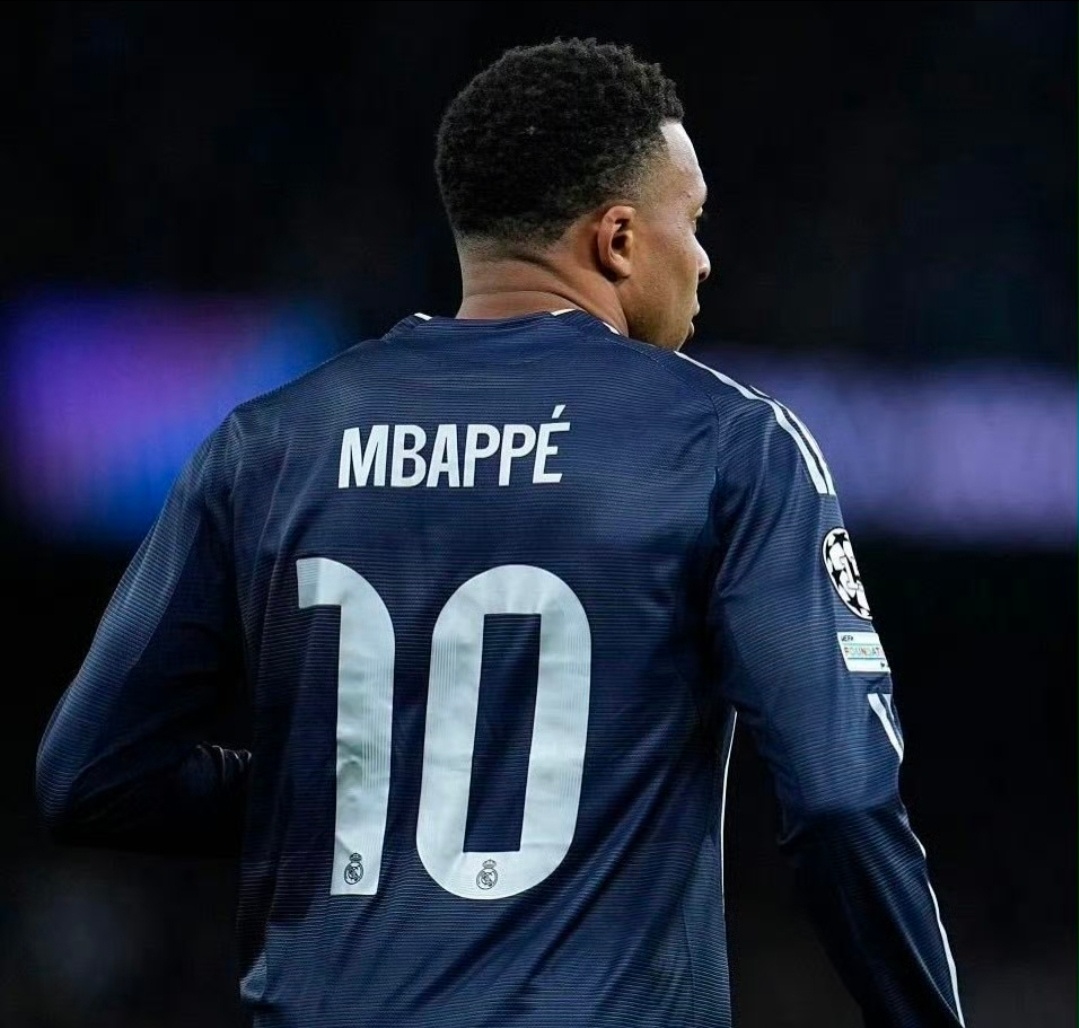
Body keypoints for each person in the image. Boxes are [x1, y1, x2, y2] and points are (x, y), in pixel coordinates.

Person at [35, 36, 967, 1028]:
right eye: (691, 221)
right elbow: (838, 799)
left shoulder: (268, 443)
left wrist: (368, 788)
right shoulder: (726, 445)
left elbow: (92, 774)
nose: (703, 259)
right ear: (617, 239)